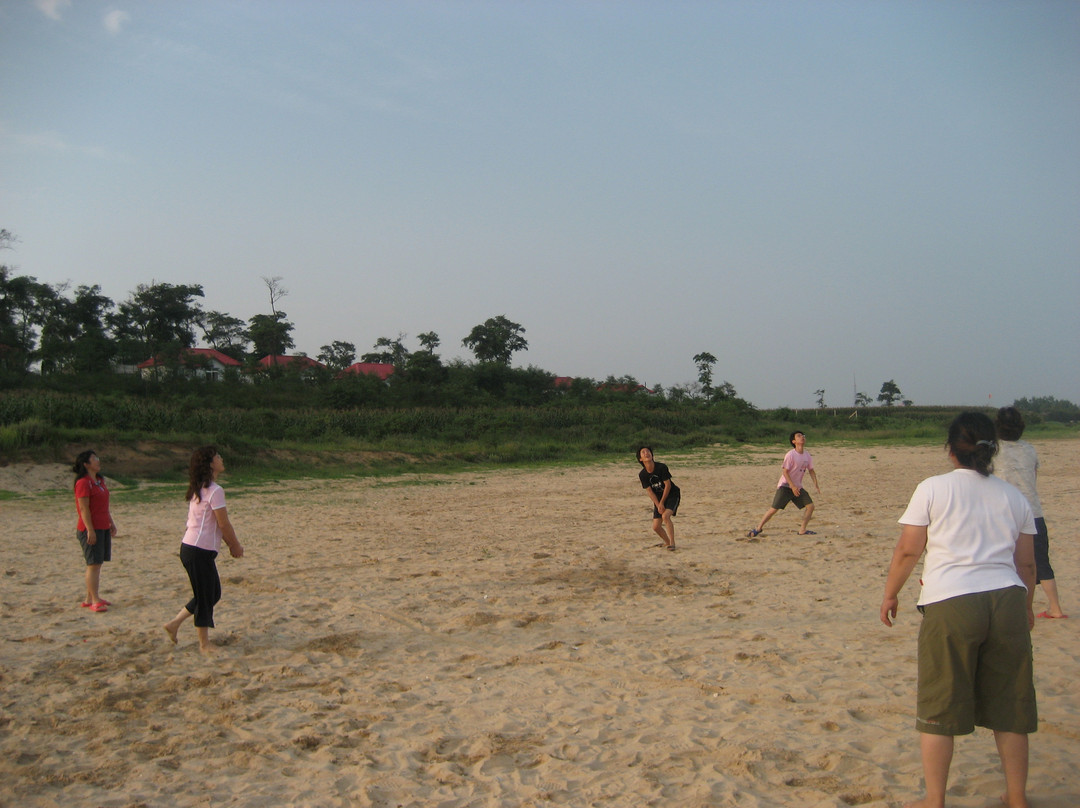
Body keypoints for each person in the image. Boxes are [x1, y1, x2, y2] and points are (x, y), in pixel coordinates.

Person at [880, 412, 1037, 808]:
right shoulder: (1013, 496)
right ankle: (1017, 797)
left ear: (951, 450)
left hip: (951, 601)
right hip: (1007, 600)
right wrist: (1028, 607)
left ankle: (935, 800)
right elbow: (1027, 564)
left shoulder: (933, 489)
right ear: (992, 450)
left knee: (940, 704)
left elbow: (909, 549)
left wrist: (890, 594)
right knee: (1010, 705)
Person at [164, 446, 244, 653]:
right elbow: (223, 524)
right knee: (207, 596)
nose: (221, 459)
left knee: (212, 593)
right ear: (210, 464)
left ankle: (174, 624)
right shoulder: (215, 490)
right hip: (197, 549)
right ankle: (204, 644)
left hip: (194, 548)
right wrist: (234, 545)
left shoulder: (202, 487)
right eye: (218, 457)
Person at [995, 406, 1067, 618]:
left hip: (1004, 513)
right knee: (1040, 561)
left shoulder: (994, 450)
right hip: (1032, 511)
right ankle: (1055, 607)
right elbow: (1032, 478)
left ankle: (1009, 608)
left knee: (1003, 560)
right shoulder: (1029, 449)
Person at [747, 430, 821, 537]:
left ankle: (802, 530)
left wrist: (816, 484)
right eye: (799, 436)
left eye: (803, 436)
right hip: (786, 486)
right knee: (774, 509)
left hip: (798, 487)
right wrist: (792, 486)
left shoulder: (807, 455)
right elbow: (785, 472)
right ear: (794, 441)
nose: (802, 437)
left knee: (810, 506)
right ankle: (758, 528)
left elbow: (811, 470)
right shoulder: (790, 455)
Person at [73, 450, 118, 612]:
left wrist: (110, 522)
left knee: (97, 563)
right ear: (86, 464)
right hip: (90, 528)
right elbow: (84, 509)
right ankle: (95, 599)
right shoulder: (83, 483)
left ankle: (89, 598)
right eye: (94, 459)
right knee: (93, 564)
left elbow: (103, 506)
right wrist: (90, 530)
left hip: (102, 526)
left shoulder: (99, 480)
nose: (98, 461)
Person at [636, 446, 680, 551]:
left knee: (665, 516)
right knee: (656, 527)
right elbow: (650, 491)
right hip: (659, 498)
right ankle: (667, 542)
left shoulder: (661, 467)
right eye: (643, 452)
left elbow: (668, 485)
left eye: (648, 451)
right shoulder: (642, 474)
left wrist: (662, 503)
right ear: (640, 459)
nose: (647, 453)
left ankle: (672, 543)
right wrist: (658, 504)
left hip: (672, 494)